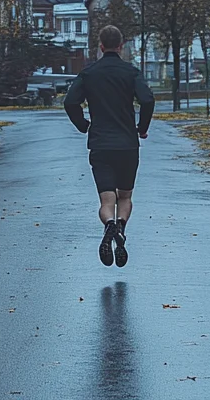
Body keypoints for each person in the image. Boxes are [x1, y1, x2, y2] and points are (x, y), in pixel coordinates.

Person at [64, 24, 155, 267]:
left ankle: (109, 226)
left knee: (107, 202)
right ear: (121, 45)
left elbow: (70, 102)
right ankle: (121, 229)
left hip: (101, 144)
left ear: (101, 46)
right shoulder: (131, 73)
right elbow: (147, 99)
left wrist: (84, 125)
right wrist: (142, 127)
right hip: (127, 144)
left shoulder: (89, 74)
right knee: (124, 196)